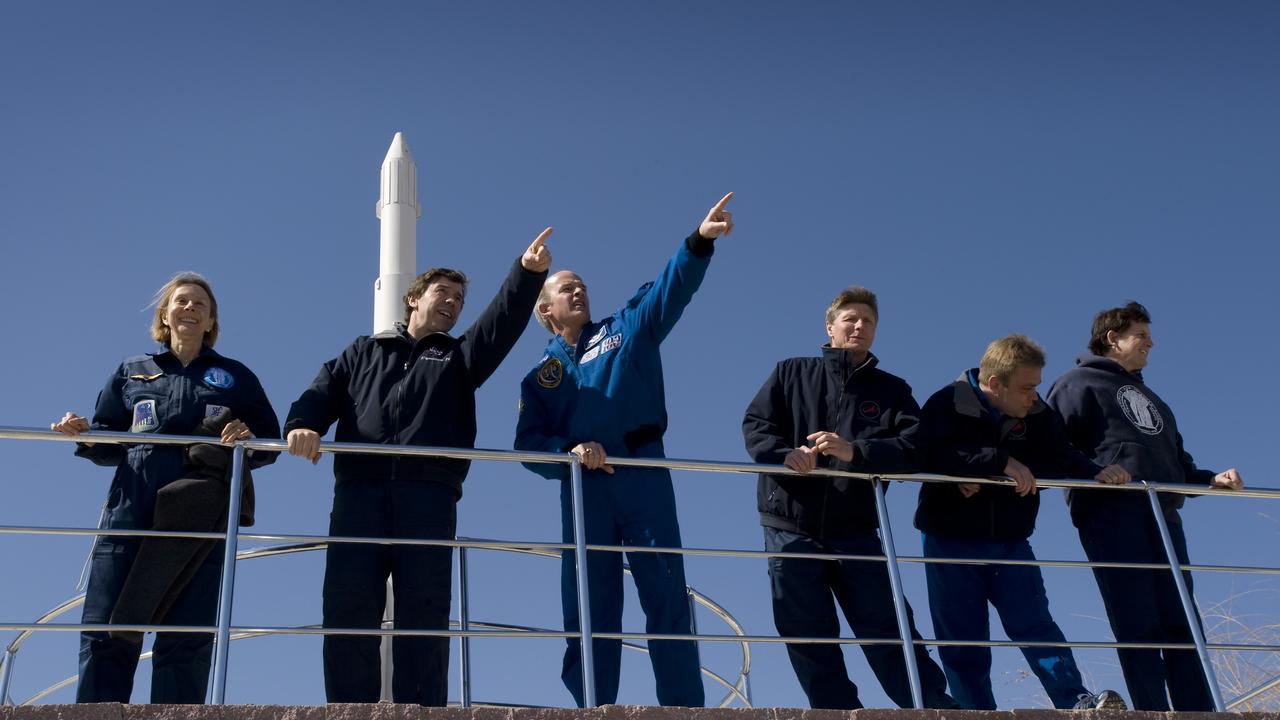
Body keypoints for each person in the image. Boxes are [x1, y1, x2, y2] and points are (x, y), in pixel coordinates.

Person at [283, 230, 551, 706]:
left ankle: (423, 713)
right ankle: (350, 713)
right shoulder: (363, 351)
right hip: (359, 495)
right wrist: (304, 424)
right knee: (348, 608)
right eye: (441, 292)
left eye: (459, 298)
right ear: (412, 299)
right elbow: (321, 393)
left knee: (424, 612)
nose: (451, 301)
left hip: (428, 496)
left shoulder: (458, 358)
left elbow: (501, 323)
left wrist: (527, 274)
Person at [514, 193, 734, 707]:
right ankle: (593, 707)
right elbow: (527, 447)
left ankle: (683, 709)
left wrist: (698, 242)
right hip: (584, 489)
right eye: (568, 288)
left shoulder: (625, 329)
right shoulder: (540, 379)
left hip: (641, 473)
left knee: (665, 593)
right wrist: (569, 450)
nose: (581, 291)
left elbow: (667, 292)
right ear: (545, 309)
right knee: (590, 605)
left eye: (583, 285)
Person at [51, 272, 280, 704]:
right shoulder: (132, 370)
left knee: (187, 632)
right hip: (132, 500)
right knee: (109, 624)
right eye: (181, 302)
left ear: (211, 320)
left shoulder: (236, 377)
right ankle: (97, 714)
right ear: (165, 314)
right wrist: (82, 433)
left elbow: (270, 442)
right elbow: (107, 440)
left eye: (200, 304)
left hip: (200, 506)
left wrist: (247, 440)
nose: (190, 309)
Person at [741, 287, 957, 710]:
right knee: (805, 628)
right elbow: (756, 424)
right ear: (830, 326)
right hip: (790, 522)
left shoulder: (892, 390)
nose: (859, 326)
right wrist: (784, 454)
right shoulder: (789, 372)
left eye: (868, 321)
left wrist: (854, 450)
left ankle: (932, 707)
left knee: (889, 625)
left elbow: (915, 449)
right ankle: (838, 712)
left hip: (856, 527)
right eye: (850, 319)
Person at [1046, 302, 1244, 711]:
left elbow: (1178, 465)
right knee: (1137, 622)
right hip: (1112, 515)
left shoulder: (1155, 401)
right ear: (1111, 338)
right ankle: (1150, 710)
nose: (1150, 343)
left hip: (1165, 517)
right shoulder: (1075, 384)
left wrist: (1210, 479)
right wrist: (1095, 471)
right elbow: (1052, 446)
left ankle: (1199, 713)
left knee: (1182, 623)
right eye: (1141, 334)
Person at [914, 333, 1127, 710]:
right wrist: (996, 462)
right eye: (1027, 388)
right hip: (949, 540)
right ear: (995, 384)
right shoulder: (945, 402)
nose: (1034, 396)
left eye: (1036, 387)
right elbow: (924, 453)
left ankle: (1076, 703)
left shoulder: (1038, 413)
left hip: (1011, 541)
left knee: (1037, 627)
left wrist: (1097, 472)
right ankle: (976, 715)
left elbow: (1061, 455)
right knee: (963, 642)